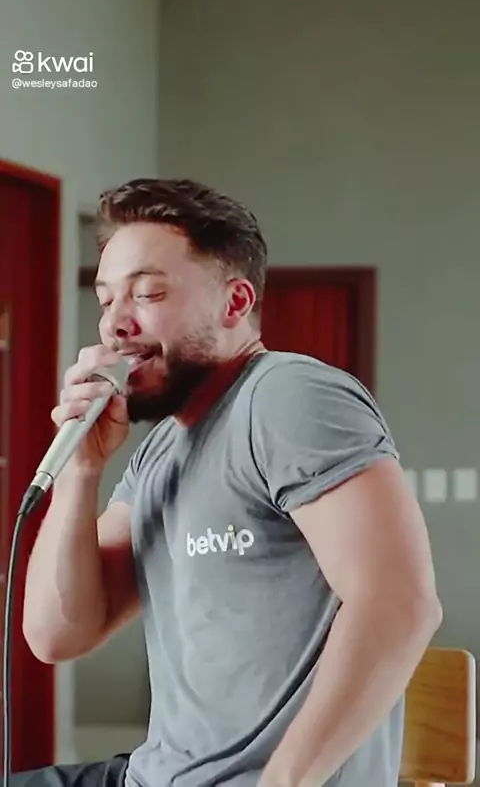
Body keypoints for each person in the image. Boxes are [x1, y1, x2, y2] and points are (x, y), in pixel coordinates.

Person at [17, 178, 441, 787]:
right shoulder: (163, 448)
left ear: (235, 303)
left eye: (147, 293)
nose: (115, 325)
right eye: (107, 300)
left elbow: (400, 603)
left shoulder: (287, 397)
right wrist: (82, 471)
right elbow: (57, 635)